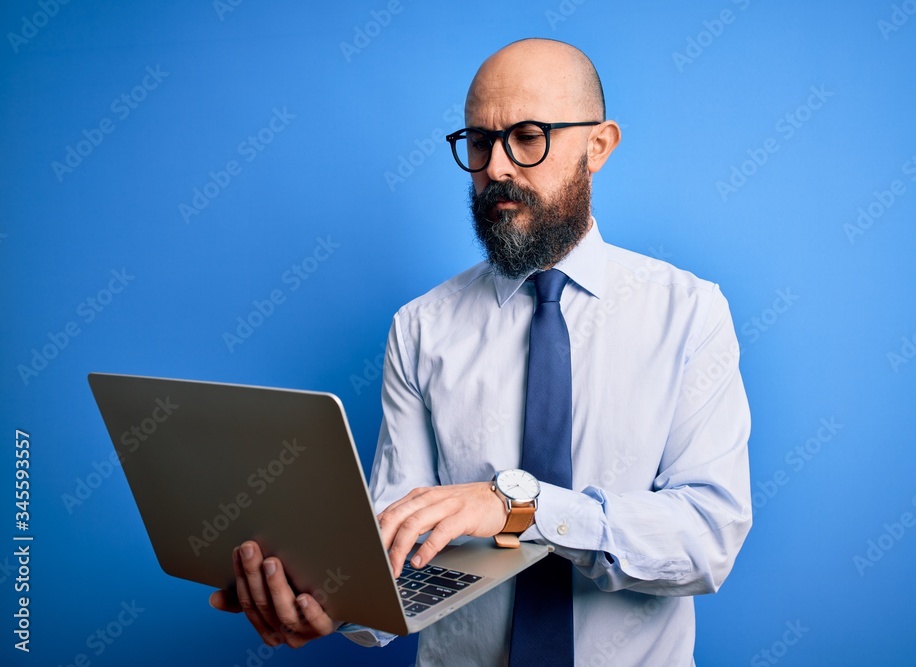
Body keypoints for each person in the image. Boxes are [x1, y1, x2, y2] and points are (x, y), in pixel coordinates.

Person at [210, 37, 752, 666]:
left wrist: (519, 508)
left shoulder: (689, 313)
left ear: (597, 146)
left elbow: (707, 537)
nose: (496, 167)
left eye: (528, 136)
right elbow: (396, 545)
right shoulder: (420, 328)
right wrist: (340, 605)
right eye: (479, 142)